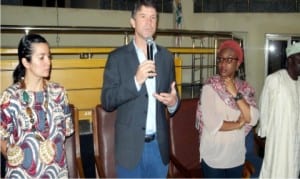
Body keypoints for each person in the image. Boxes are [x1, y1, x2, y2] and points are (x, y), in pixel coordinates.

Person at [101, 0, 179, 177]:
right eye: (143, 16)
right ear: (133, 22)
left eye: (153, 18)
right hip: (129, 149)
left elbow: (174, 95)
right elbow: (107, 101)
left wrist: (173, 102)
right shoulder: (117, 58)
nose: (149, 22)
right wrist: (135, 81)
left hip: (159, 149)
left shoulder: (166, 57)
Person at [0, 34, 74, 178]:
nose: (48, 62)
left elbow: (65, 132)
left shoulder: (58, 93)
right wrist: (10, 153)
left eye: (49, 56)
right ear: (26, 62)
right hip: (22, 174)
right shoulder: (11, 97)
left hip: (56, 172)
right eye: (41, 57)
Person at [195, 40, 259, 178]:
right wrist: (239, 124)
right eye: (221, 59)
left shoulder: (245, 89)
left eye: (229, 60)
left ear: (238, 64)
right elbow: (213, 123)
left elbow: (252, 118)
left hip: (235, 156)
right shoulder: (209, 87)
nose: (223, 64)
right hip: (213, 157)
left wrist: (235, 93)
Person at [257, 42, 300, 178]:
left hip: (295, 140)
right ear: (290, 60)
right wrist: (264, 133)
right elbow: (264, 107)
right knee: (276, 170)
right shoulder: (275, 79)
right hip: (278, 139)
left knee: (292, 171)